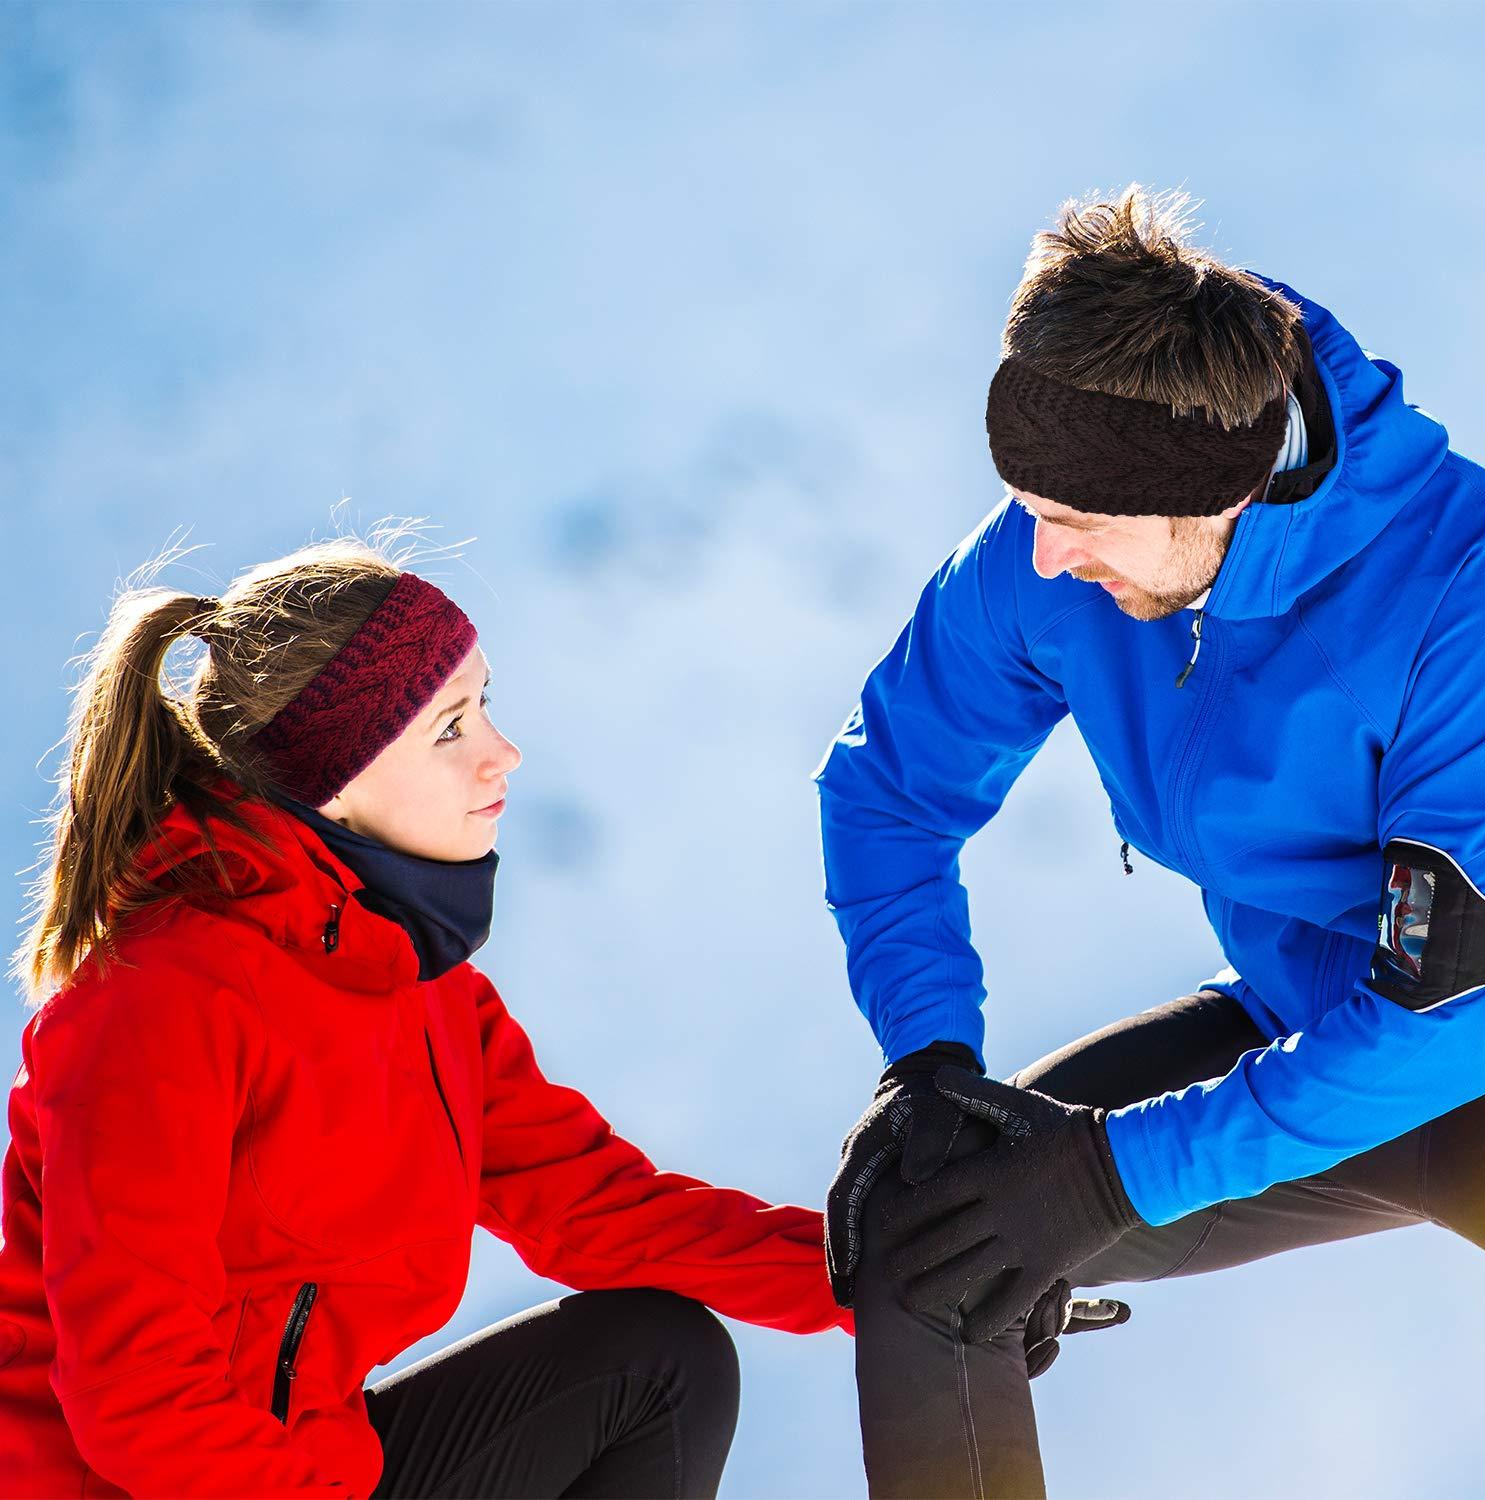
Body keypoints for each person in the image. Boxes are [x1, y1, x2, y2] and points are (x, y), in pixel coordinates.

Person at [817, 185, 1485, 1498]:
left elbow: (1443, 1018)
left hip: (1466, 1051)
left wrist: (1106, 1177)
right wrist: (929, 1056)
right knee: (933, 1240)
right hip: (1308, 1029)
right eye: (1025, 502)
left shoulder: (1464, 598)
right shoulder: (1053, 541)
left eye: (1078, 520)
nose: (1044, 553)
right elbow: (891, 788)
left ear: (1221, 496)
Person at [0, 540, 850, 1498]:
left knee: (658, 1362)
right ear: (335, 779)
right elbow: (139, 1401)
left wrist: (874, 1282)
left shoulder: (415, 983)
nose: (503, 753)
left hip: (315, 1470)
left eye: (485, 704)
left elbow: (593, 1206)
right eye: (450, 729)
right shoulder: (154, 1003)